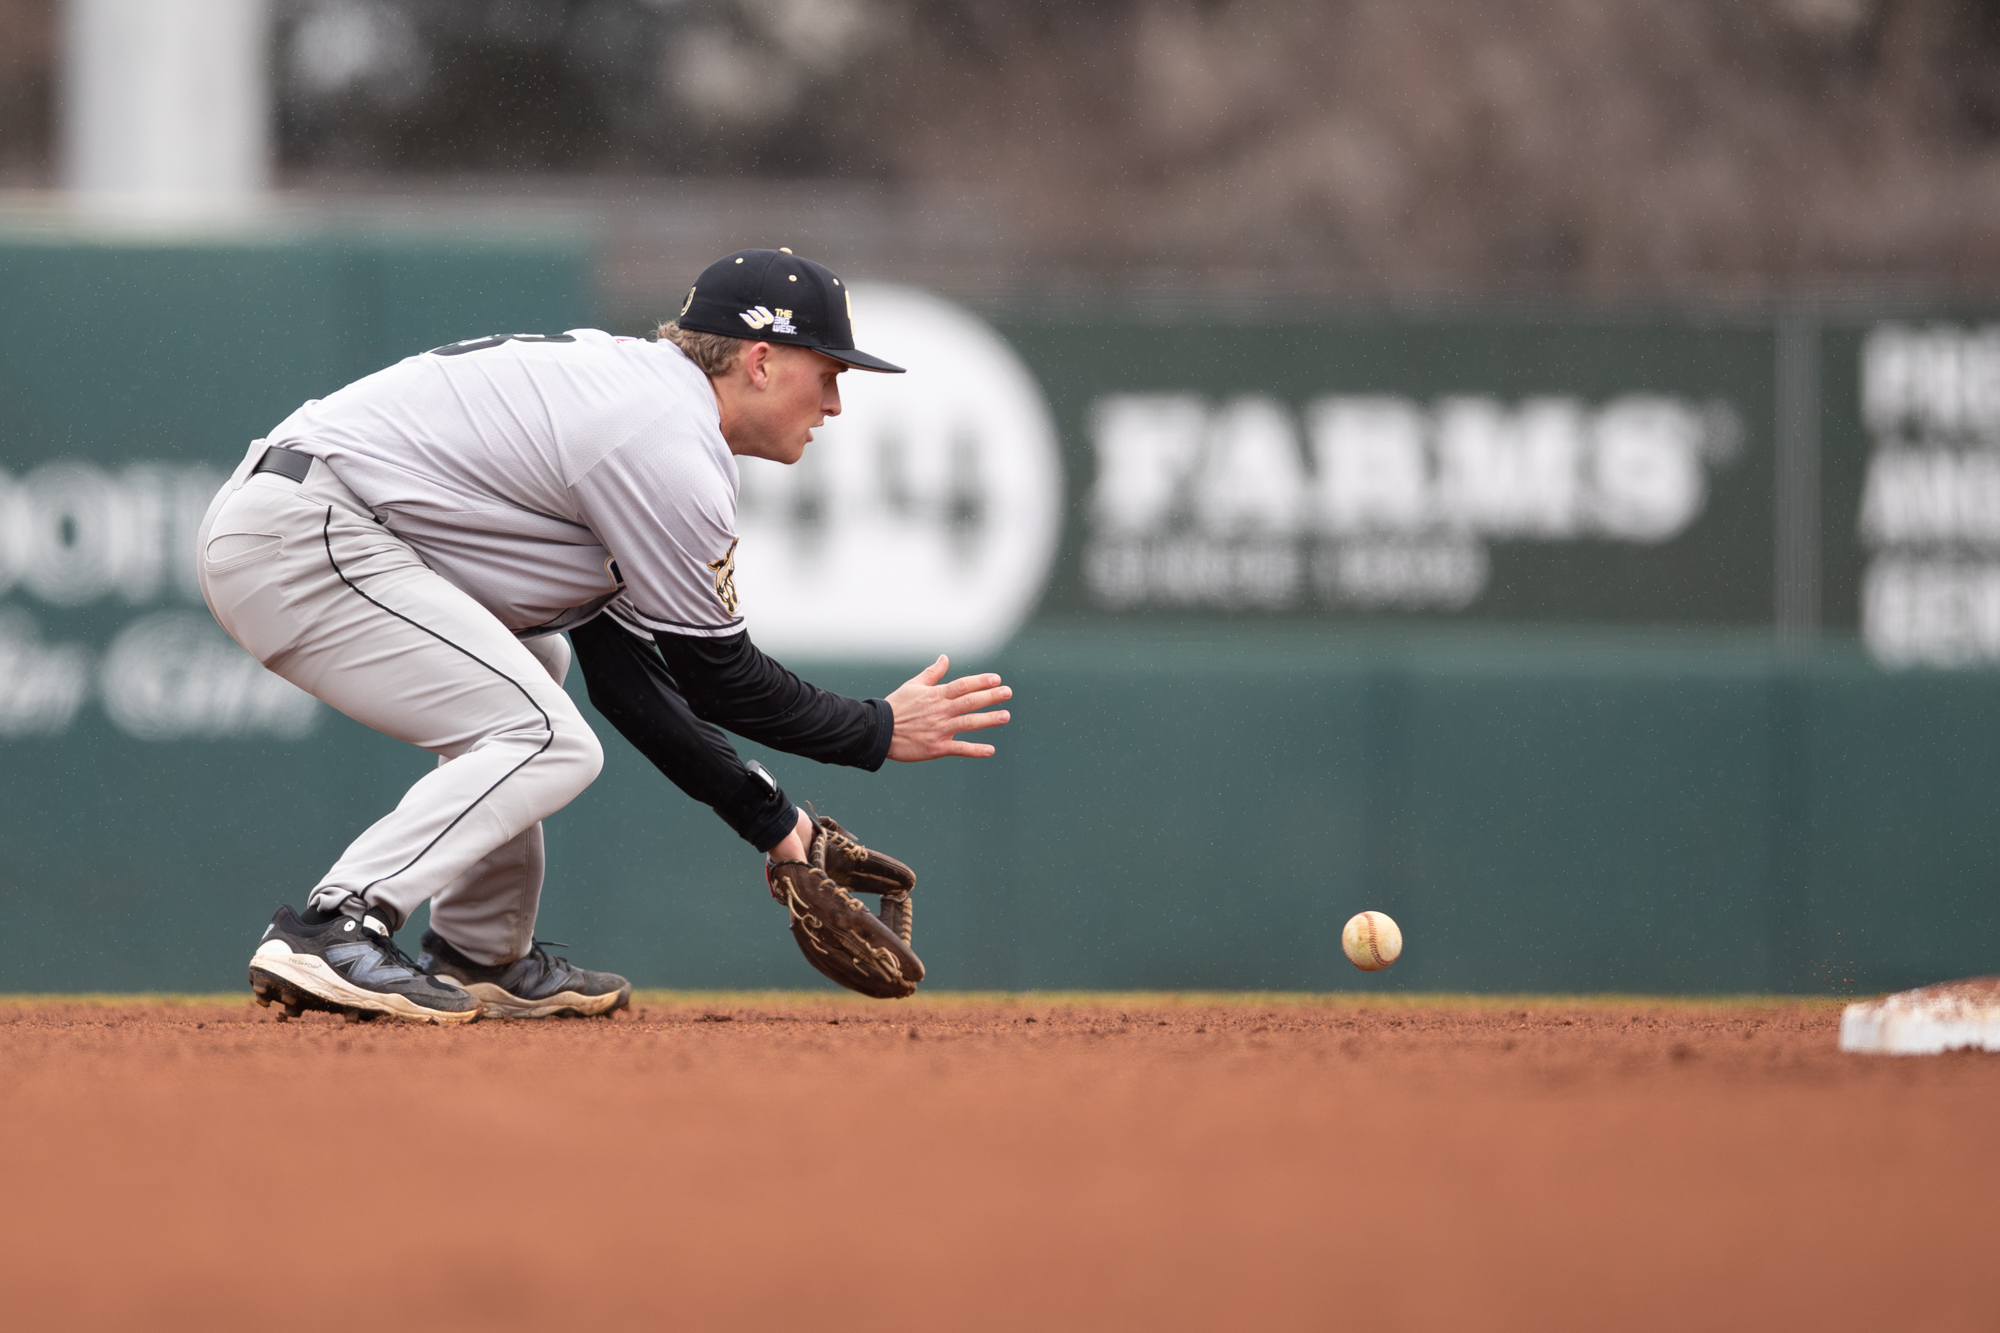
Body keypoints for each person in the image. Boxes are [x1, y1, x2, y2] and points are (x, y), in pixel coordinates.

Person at [197, 248, 1013, 1024]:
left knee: (538, 667)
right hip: (307, 534)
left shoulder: (645, 406)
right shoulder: (662, 435)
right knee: (545, 738)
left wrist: (776, 823)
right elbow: (721, 679)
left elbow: (633, 683)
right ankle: (334, 923)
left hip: (317, 525)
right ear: (761, 361)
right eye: (828, 373)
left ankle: (481, 954)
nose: (836, 403)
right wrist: (876, 727)